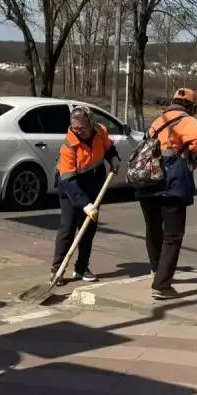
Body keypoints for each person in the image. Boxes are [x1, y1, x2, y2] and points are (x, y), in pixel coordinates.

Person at [139, 88, 197, 300]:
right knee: (173, 235)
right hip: (171, 184)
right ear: (190, 106)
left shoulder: (157, 121)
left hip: (147, 182)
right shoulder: (186, 121)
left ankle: (157, 270)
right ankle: (162, 285)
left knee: (153, 229)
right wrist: (196, 160)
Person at [53, 106, 120, 284]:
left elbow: (108, 148)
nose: (78, 131)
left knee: (88, 229)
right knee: (67, 228)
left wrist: (113, 158)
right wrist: (85, 204)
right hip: (70, 187)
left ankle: (81, 268)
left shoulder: (101, 131)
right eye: (74, 127)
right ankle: (57, 269)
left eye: (82, 128)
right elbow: (67, 180)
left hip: (94, 185)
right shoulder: (69, 145)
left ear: (91, 123)